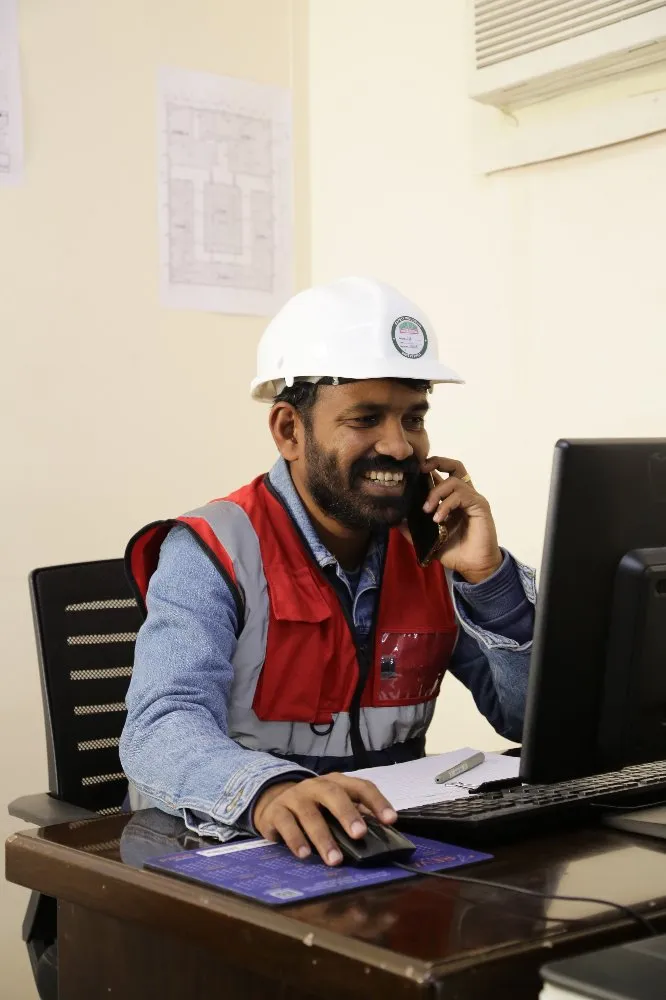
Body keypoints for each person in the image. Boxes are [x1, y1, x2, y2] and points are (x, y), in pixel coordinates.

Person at [120, 277, 536, 867]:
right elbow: (159, 728)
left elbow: (525, 718)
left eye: (413, 418)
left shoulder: (432, 548)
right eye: (366, 419)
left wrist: (488, 581)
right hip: (223, 852)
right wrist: (268, 790)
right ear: (290, 430)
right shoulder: (213, 546)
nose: (399, 446)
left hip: (379, 852)